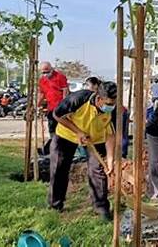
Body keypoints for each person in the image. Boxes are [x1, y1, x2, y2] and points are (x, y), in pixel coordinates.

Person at [48, 81, 117, 221]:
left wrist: (110, 160)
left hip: (95, 139)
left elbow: (111, 135)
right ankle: (55, 204)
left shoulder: (114, 110)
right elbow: (57, 115)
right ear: (99, 98)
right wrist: (78, 132)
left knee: (98, 171)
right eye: (108, 104)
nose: (110, 107)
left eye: (113, 104)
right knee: (59, 168)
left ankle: (101, 207)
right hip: (66, 135)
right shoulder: (78, 99)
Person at [38, 62, 69, 138]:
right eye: (43, 72)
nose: (45, 74)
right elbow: (41, 94)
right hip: (50, 108)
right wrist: (37, 105)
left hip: (60, 108)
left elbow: (65, 91)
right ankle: (53, 143)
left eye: (47, 72)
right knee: (52, 128)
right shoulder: (42, 80)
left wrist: (64, 106)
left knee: (63, 128)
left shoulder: (60, 77)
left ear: (51, 69)